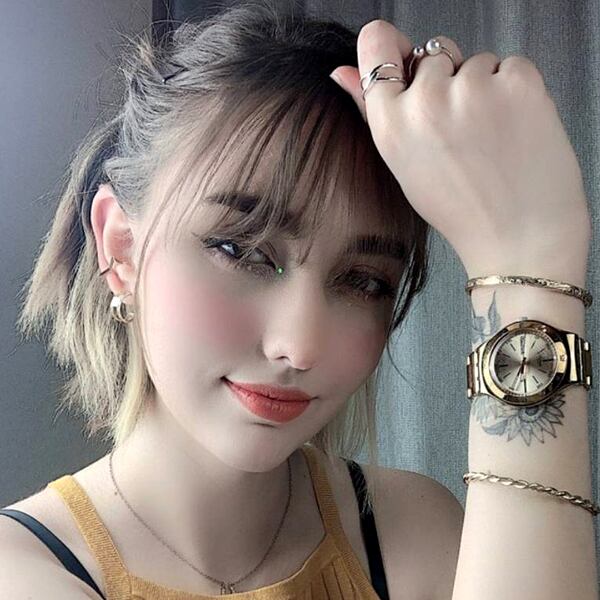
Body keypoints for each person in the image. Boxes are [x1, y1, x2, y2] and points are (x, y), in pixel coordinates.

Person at [1, 1, 597, 599]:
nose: (300, 346)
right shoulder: (22, 572)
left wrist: (531, 269)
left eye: (363, 281)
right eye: (240, 250)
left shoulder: (414, 533)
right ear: (121, 246)